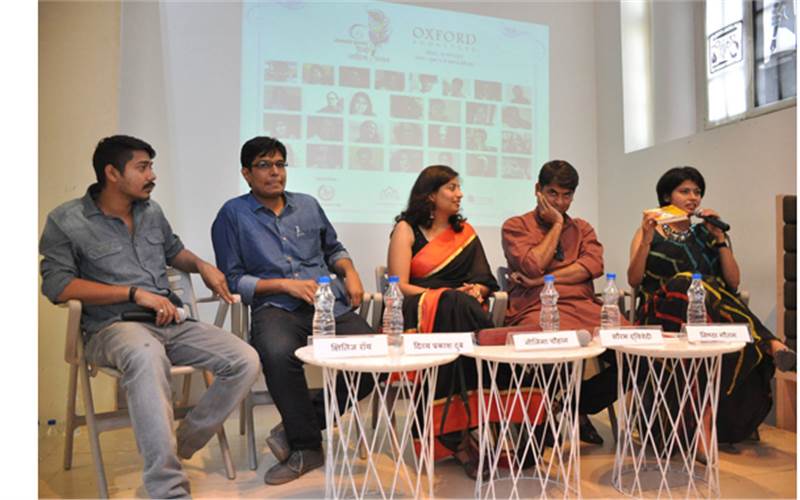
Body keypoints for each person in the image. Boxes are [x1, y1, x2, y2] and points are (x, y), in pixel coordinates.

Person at [39, 135, 259, 498]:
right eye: (142, 167)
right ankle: (167, 489)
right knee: (146, 354)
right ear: (112, 172)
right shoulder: (66, 221)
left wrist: (202, 265)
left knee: (245, 359)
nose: (152, 175)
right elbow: (57, 286)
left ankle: (182, 441)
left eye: (151, 166)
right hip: (113, 327)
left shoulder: (150, 212)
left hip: (170, 321)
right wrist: (132, 293)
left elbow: (174, 251)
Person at [211, 136, 374, 485]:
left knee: (376, 358)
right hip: (276, 307)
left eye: (280, 164)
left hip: (327, 304)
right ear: (246, 173)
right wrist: (285, 285)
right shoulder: (232, 215)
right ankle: (306, 448)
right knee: (277, 352)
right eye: (265, 165)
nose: (275, 172)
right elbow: (234, 279)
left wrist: (351, 271)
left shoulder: (308, 205)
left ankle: (300, 423)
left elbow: (334, 249)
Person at [627, 166, 796, 447]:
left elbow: (733, 281)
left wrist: (719, 239)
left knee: (706, 288)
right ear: (667, 195)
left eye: (697, 192)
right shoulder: (650, 230)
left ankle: (706, 418)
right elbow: (634, 279)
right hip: (662, 313)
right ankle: (770, 341)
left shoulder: (706, 234)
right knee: (688, 282)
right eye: (685, 191)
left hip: (708, 315)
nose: (693, 197)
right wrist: (645, 239)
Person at [387, 165, 499, 478]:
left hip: (460, 312)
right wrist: (443, 294)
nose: (459, 193)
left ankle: (455, 431)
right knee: (453, 303)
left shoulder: (466, 233)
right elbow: (397, 285)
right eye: (451, 187)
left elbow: (484, 280)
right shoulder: (406, 229)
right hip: (419, 309)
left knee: (458, 306)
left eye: (458, 187)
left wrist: (478, 289)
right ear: (430, 194)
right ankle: (467, 428)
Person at [501, 160, 620, 445]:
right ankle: (542, 419)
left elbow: (593, 264)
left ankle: (575, 404)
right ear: (537, 190)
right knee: (551, 345)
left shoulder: (583, 228)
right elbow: (531, 265)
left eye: (567, 196)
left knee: (639, 356)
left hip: (586, 308)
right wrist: (555, 225)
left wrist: (543, 279)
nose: (560, 202)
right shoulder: (515, 225)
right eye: (553, 194)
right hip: (535, 308)